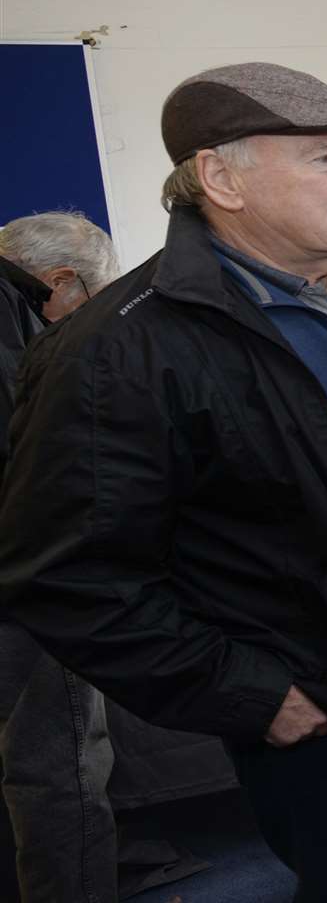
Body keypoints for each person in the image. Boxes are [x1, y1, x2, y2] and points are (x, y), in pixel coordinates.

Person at [0, 63, 327, 902]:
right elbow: (68, 576)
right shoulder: (116, 350)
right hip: (323, 711)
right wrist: (254, 696)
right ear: (221, 178)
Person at [0, 211, 118, 902]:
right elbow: (36, 473)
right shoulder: (17, 337)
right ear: (61, 282)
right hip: (26, 581)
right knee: (59, 767)